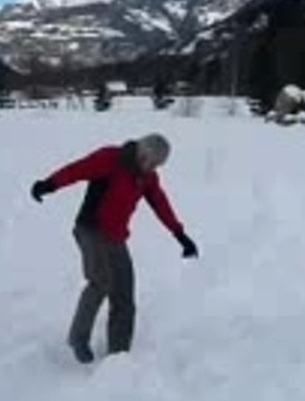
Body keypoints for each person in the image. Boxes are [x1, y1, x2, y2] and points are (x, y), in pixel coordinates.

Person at [30, 133, 198, 363]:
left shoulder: (147, 177)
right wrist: (49, 184)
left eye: (156, 165)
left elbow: (160, 203)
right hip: (90, 230)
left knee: (124, 295)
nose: (151, 167)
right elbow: (77, 170)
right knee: (100, 281)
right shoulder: (111, 158)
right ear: (141, 151)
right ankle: (78, 338)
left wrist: (180, 235)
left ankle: (118, 355)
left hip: (116, 237)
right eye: (149, 161)